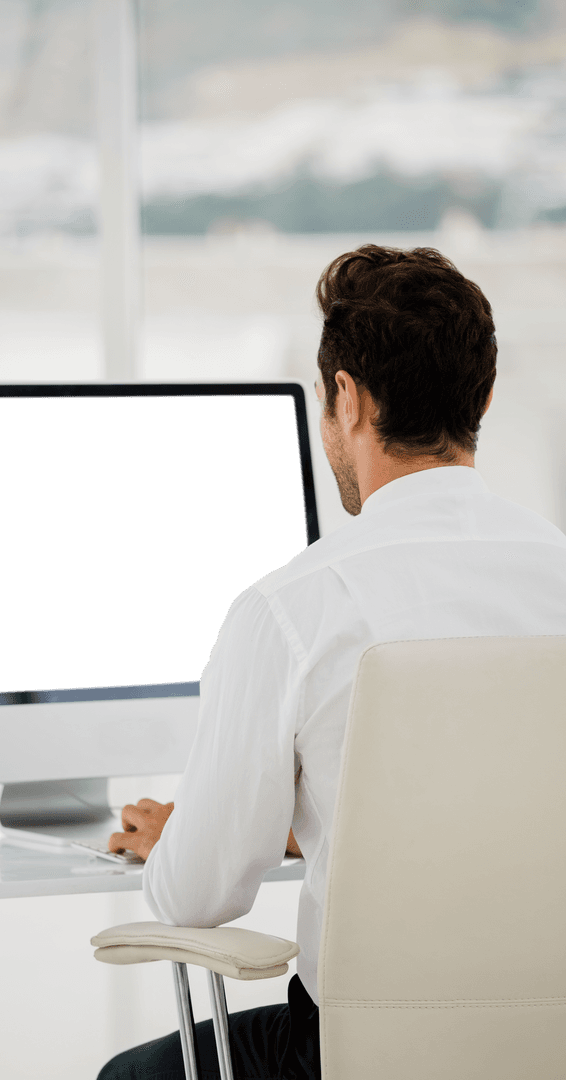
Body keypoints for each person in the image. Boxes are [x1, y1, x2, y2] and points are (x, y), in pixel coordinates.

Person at [98, 244, 566, 1080]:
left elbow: (195, 897)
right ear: (485, 397)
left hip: (360, 1055)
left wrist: (190, 837)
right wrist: (319, 824)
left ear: (346, 398)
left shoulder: (291, 609)